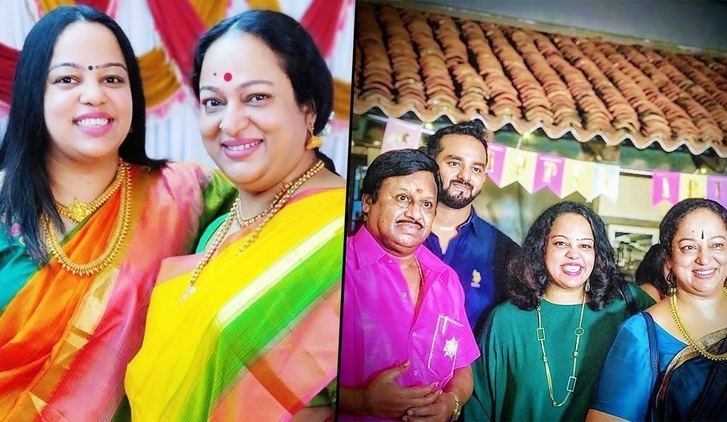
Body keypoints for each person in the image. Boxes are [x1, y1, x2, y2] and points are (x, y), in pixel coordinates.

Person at [0, 6, 234, 420]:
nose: (95, 94)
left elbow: (288, 226)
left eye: (112, 78)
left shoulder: (187, 195)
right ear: (34, 95)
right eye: (68, 79)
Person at [124, 10, 345, 420]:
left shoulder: (342, 235)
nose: (230, 123)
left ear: (308, 110)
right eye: (213, 102)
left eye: (256, 97)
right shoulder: (215, 229)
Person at [465, 201, 654, 421]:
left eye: (585, 246)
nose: (574, 255)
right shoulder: (506, 321)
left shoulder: (624, 306)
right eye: (561, 243)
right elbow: (477, 407)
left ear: (597, 253)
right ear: (541, 248)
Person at [339, 149, 479, 421]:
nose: (415, 213)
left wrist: (450, 403)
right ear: (368, 201)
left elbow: (462, 369)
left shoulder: (446, 279)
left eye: (427, 204)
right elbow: (291, 376)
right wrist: (360, 401)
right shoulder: (335, 267)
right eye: (403, 198)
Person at [589, 198, 727, 421]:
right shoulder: (641, 334)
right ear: (669, 260)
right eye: (689, 247)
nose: (705, 258)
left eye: (717, 245)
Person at [424, 120, 520, 333]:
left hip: (471, 367)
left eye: (476, 168)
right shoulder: (399, 236)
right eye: (454, 163)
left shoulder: (504, 252)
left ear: (484, 176)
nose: (465, 177)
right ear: (429, 163)